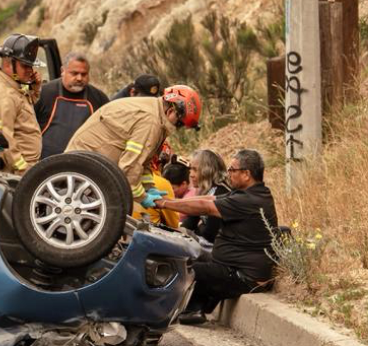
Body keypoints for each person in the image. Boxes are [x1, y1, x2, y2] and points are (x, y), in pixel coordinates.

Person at [154, 149, 278, 325]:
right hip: (231, 267)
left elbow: (206, 207)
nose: (229, 173)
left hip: (243, 276)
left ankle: (189, 309)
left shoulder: (248, 200)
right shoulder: (250, 193)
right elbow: (210, 199)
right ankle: (195, 309)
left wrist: (164, 204)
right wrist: (167, 201)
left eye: (232, 170)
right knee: (203, 266)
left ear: (246, 174)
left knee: (188, 269)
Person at [66, 85, 203, 211]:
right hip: (83, 167)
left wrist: (149, 188)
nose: (179, 128)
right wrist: (142, 197)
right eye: (180, 123)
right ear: (171, 110)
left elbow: (145, 161)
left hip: (92, 164)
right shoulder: (151, 121)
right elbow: (130, 165)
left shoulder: (156, 115)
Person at [0, 33, 43, 173]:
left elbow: (22, 110)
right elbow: (4, 139)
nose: (30, 71)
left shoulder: (10, 86)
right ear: (8, 63)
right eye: (25, 65)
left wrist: (34, 89)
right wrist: (23, 169)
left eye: (31, 66)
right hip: (13, 170)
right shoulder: (4, 95)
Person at [35, 52, 109, 158]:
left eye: (84, 74)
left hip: (82, 163)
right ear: (62, 71)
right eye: (74, 73)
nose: (79, 78)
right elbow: (27, 128)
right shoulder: (44, 93)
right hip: (44, 162)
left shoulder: (99, 98)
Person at [181, 149, 228, 243]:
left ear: (208, 171)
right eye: (190, 169)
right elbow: (191, 221)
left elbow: (210, 235)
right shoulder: (206, 190)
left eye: (195, 170)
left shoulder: (221, 193)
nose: (191, 175)